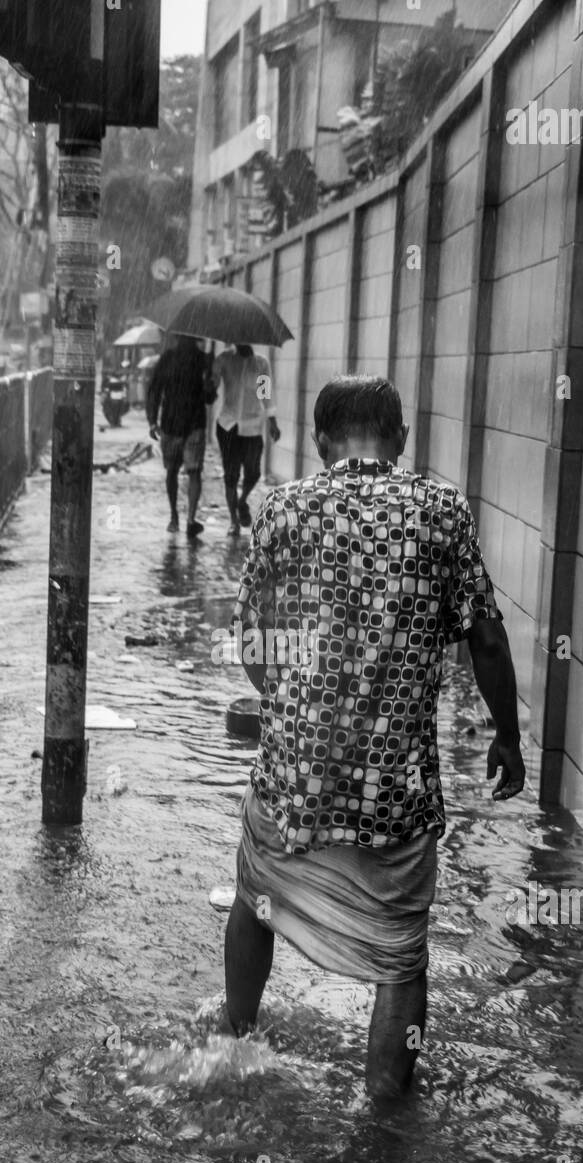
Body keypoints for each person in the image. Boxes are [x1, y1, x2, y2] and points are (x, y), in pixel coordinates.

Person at [224, 375, 525, 1102]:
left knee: (255, 897)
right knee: (400, 959)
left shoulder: (283, 509)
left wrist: (295, 709)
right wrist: (508, 736)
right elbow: (484, 637)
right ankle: (385, 1113)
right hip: (395, 788)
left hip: (295, 778)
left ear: (322, 441)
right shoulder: (443, 510)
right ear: (401, 439)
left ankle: (235, 1047)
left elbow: (253, 645)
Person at [146, 334, 215, 538]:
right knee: (189, 472)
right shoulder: (202, 360)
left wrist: (152, 420)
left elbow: (154, 391)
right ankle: (187, 518)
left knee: (176, 471)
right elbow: (209, 398)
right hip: (188, 423)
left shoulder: (171, 359)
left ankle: (179, 517)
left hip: (176, 423)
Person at [211, 343, 281, 533]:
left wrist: (272, 422)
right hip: (228, 425)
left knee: (253, 473)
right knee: (230, 476)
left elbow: (265, 395)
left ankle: (241, 502)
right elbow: (213, 384)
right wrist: (212, 376)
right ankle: (233, 521)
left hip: (252, 427)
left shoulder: (260, 364)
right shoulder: (224, 359)